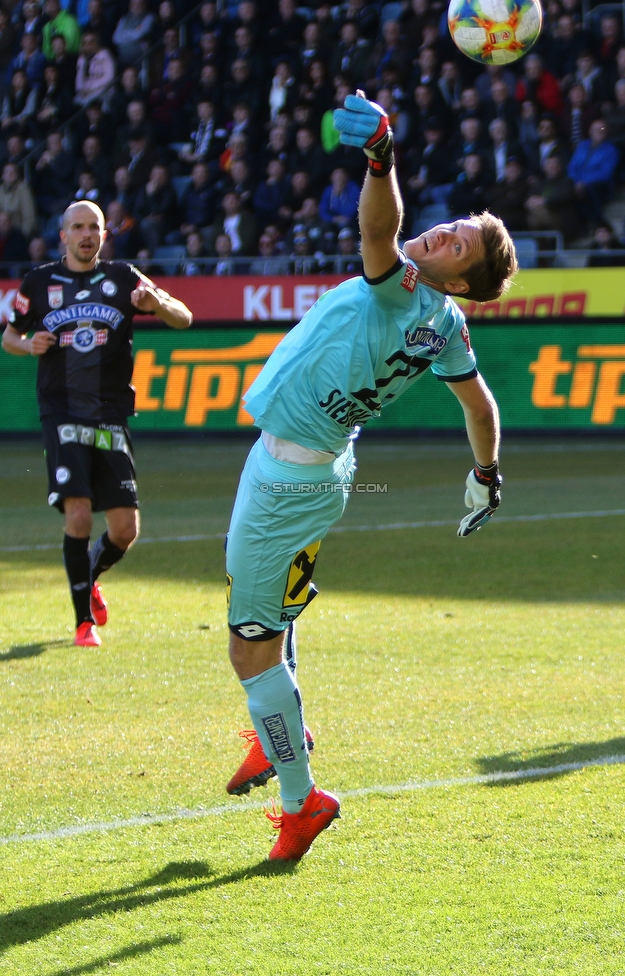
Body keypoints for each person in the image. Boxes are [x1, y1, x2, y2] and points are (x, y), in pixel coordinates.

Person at [223, 91, 516, 862]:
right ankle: (275, 728)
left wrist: (382, 156)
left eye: (464, 247)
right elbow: (479, 404)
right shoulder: (446, 326)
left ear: (455, 280)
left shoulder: (405, 288)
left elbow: (376, 228)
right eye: (460, 226)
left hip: (288, 479)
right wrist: (485, 473)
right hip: (319, 468)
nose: (450, 232)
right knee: (270, 620)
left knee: (249, 648)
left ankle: (300, 798)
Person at [1, 201, 192, 648]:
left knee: (126, 530)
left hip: (111, 414)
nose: (87, 235)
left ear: (104, 235)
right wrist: (30, 346)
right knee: (80, 512)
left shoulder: (124, 278)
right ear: (63, 234)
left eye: (95, 227)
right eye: (78, 227)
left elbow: (183, 318)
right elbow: (9, 335)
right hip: (62, 411)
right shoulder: (39, 282)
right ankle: (82, 621)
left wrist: (157, 302)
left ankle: (89, 573)